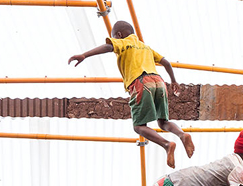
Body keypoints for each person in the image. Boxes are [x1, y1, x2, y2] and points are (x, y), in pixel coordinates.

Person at [68, 20, 194, 168]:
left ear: (119, 35)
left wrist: (84, 55)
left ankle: (167, 145)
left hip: (141, 83)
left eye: (115, 36)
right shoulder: (145, 47)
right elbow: (166, 62)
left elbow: (108, 47)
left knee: (139, 126)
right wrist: (173, 81)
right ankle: (182, 134)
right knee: (163, 122)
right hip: (160, 83)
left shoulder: (123, 43)